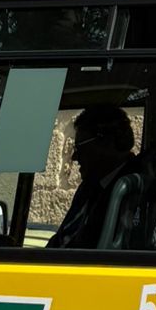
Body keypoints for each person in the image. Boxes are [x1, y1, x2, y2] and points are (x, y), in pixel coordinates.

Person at [48, 104, 138, 251]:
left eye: (80, 148)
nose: (74, 157)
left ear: (106, 142)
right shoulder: (91, 186)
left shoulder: (128, 191)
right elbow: (62, 238)